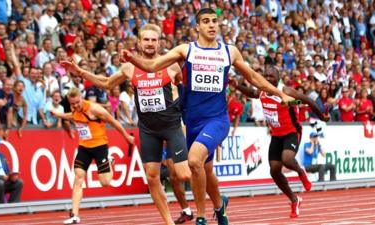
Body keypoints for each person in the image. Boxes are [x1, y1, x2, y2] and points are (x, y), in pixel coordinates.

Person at [120, 8, 294, 225]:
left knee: (193, 161)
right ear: (197, 27)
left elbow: (253, 77)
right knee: (205, 171)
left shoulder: (229, 52)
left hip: (217, 119)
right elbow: (152, 65)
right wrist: (132, 58)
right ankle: (220, 206)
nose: (212, 25)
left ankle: (201, 216)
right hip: (192, 121)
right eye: (206, 21)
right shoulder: (186, 50)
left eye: (214, 21)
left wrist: (279, 93)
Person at [61, 24, 193, 225]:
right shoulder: (129, 68)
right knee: (151, 177)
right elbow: (106, 83)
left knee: (183, 174)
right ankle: (168, 222)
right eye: (146, 40)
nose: (149, 44)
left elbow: (190, 84)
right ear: (139, 43)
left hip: (171, 126)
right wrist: (81, 72)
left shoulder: (172, 64)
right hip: (148, 129)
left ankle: (210, 201)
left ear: (159, 42)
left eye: (153, 40)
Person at [233, 66, 330, 218]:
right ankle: (294, 199)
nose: (268, 78)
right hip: (276, 135)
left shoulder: (287, 92)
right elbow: (252, 93)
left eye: (271, 76)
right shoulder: (263, 91)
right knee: (274, 170)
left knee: (287, 159)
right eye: (266, 75)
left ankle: (300, 171)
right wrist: (236, 85)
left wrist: (322, 117)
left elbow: (308, 101)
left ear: (278, 77)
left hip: (292, 132)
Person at [51, 88, 134, 224]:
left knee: (105, 182)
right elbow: (72, 116)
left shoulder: (95, 109)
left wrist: (126, 136)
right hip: (84, 147)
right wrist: (58, 114)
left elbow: (113, 122)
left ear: (81, 98)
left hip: (99, 146)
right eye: (73, 104)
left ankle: (109, 161)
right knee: (78, 178)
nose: (76, 106)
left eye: (78, 102)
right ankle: (74, 215)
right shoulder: (74, 109)